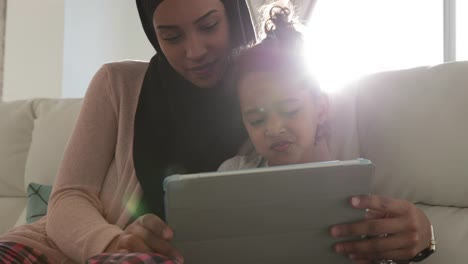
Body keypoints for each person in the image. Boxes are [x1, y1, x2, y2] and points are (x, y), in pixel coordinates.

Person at [0, 1, 434, 264]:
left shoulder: (272, 95)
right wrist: (113, 242)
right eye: (170, 35)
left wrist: (421, 234)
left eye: (209, 26)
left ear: (233, 13)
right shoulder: (117, 84)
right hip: (66, 246)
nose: (193, 52)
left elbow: (334, 207)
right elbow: (69, 198)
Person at [219, 5, 435, 264]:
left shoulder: (355, 193)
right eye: (257, 118)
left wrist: (424, 239)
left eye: (290, 110)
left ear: (320, 108)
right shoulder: (230, 177)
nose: (274, 129)